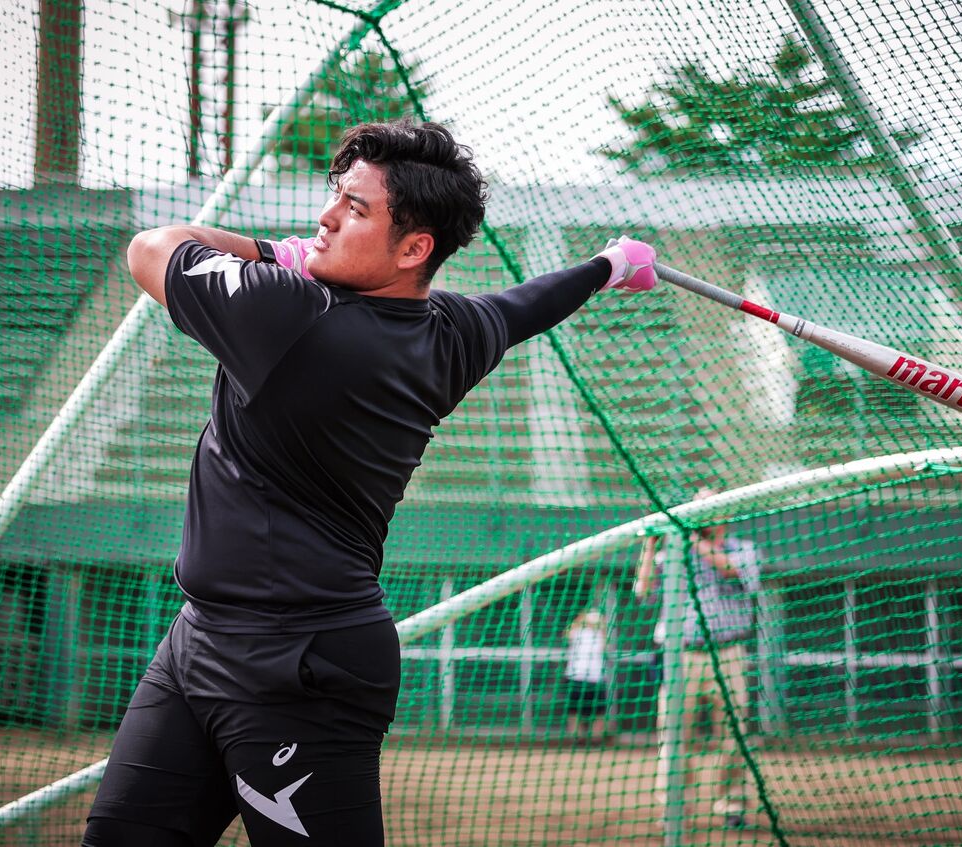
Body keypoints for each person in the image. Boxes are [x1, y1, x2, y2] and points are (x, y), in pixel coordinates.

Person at [82, 119, 657, 847]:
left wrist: (277, 253)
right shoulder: (449, 333)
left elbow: (150, 248)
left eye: (355, 210)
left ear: (415, 247)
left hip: (298, 665)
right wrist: (609, 264)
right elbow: (526, 307)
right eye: (336, 197)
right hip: (199, 641)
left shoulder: (290, 314)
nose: (323, 220)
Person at [632, 489, 760, 830]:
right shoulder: (674, 551)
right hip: (681, 657)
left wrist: (691, 539)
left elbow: (733, 570)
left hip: (728, 654)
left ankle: (732, 805)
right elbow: (643, 592)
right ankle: (674, 807)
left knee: (734, 735)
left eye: (710, 505)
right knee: (674, 736)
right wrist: (651, 545)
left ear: (725, 512)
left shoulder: (743, 549)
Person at [563, 607, 609, 745]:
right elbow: (567, 633)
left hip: (596, 677)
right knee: (574, 711)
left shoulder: (601, 634)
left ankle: (596, 739)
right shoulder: (577, 632)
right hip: (576, 676)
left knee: (599, 712)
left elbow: (606, 643)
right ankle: (578, 739)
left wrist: (601, 625)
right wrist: (582, 618)